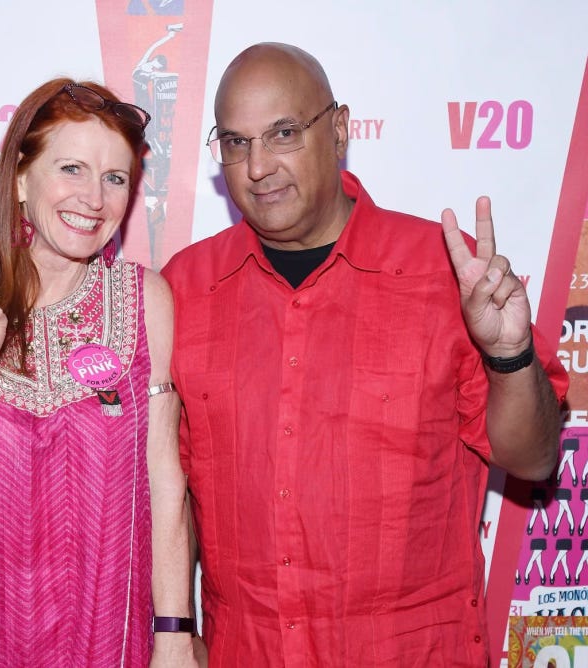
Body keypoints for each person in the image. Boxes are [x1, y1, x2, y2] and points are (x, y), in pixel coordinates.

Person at [161, 42, 569, 666]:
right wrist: (173, 629)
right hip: (244, 650)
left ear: (340, 130)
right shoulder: (186, 288)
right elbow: (172, 490)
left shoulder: (444, 272)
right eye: (237, 142)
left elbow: (534, 459)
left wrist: (510, 353)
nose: (258, 166)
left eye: (284, 133)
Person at [0, 78, 198, 667]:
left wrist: (175, 635)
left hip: (107, 642)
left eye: (115, 178)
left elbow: (164, 483)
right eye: (72, 169)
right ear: (21, 178)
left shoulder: (146, 301)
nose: (94, 198)